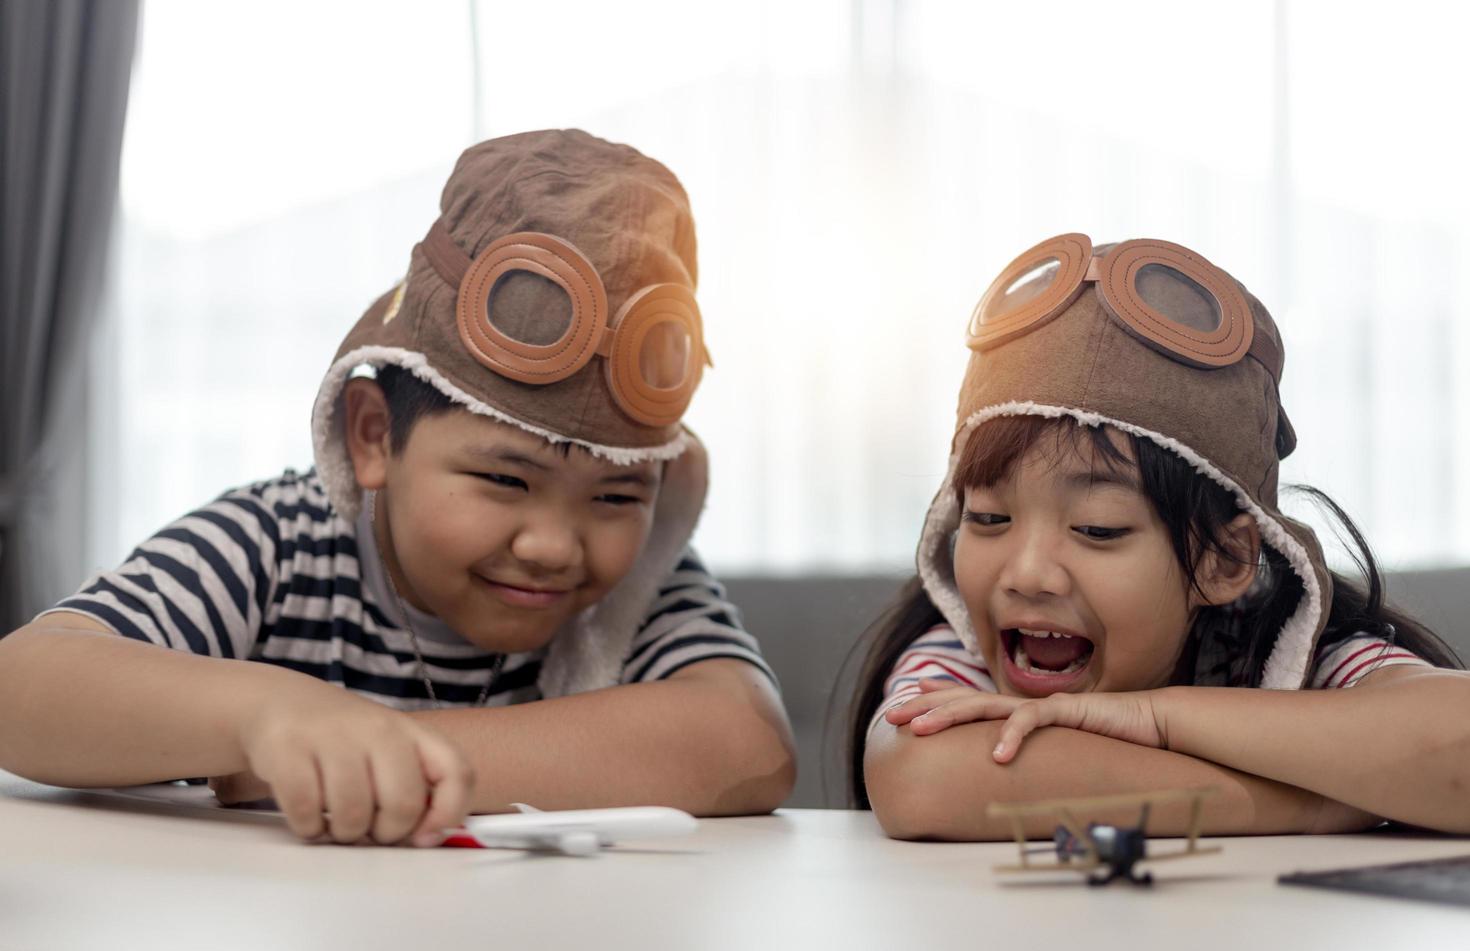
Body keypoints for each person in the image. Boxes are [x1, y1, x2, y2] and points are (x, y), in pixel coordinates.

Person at [0, 129, 795, 846]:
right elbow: (23, 685)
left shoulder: (633, 590)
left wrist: (390, 752)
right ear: (374, 435)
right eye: (503, 478)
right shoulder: (275, 545)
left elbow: (746, 743)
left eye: (617, 496)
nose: (555, 546)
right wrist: (268, 718)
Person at [850, 233, 1469, 840]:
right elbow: (922, 779)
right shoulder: (965, 656)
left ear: (1223, 559)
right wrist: (1313, 804)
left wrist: (1152, 718)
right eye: (988, 519)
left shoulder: (1279, 652)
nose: (1026, 573)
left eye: (1097, 527)